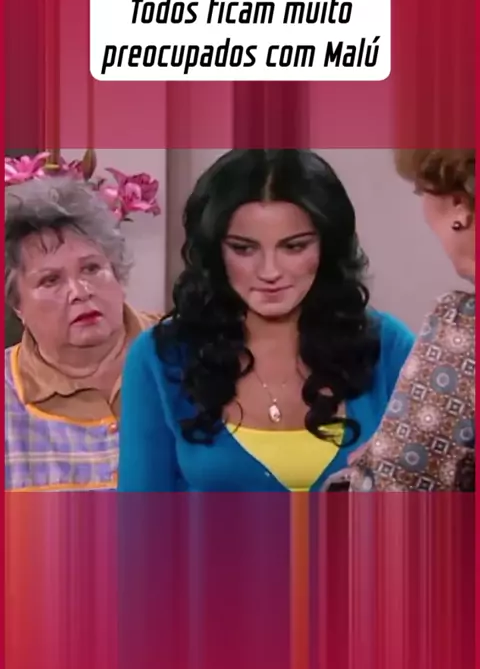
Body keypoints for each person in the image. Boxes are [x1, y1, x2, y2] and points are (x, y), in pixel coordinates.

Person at [118, 149, 415, 492]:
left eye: (294, 247)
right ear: (215, 251)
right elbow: (140, 517)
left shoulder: (387, 346)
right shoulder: (161, 358)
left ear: (327, 247)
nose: (270, 271)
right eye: (244, 249)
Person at [327, 148, 475, 492]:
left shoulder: (461, 329)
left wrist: (375, 466)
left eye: (422, 192)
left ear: (459, 205)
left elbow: (395, 490)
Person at [5, 176, 161, 491]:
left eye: (91, 269)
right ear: (17, 305)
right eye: (50, 280)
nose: (80, 292)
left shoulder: (192, 352)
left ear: (117, 273)